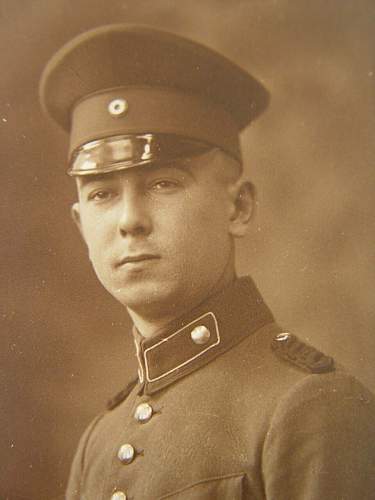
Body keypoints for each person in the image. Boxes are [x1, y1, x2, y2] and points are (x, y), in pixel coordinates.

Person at [39, 24, 375, 500]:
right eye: (102, 194)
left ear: (237, 207)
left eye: (163, 184)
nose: (129, 220)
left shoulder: (311, 408)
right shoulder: (100, 441)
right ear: (80, 226)